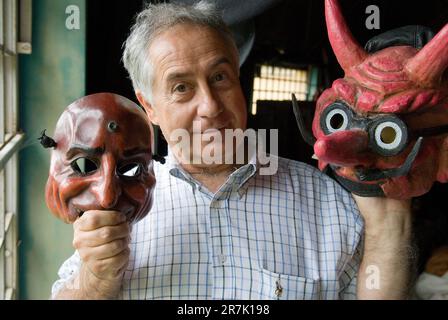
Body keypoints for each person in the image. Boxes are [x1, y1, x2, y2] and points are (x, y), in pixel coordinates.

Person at [51, 1, 413, 300]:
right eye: (181, 87)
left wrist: (391, 224)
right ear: (149, 108)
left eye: (220, 77)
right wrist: (94, 281)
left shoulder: (328, 204)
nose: (210, 105)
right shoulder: (121, 210)